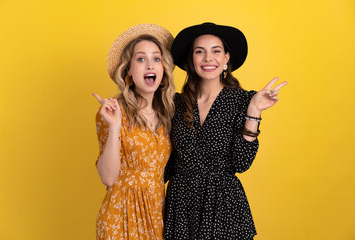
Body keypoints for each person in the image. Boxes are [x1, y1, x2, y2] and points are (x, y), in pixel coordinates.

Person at [164, 22, 288, 240]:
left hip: (223, 207)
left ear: (226, 59)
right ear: (191, 60)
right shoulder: (175, 103)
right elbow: (166, 160)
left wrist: (254, 110)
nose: (208, 58)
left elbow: (241, 163)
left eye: (216, 51)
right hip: (182, 207)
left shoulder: (243, 100)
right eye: (199, 52)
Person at [92, 23, 175, 240]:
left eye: (156, 58)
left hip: (158, 213)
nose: (150, 65)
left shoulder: (168, 112)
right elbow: (108, 178)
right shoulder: (113, 111)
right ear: (128, 70)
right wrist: (115, 126)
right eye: (141, 59)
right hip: (121, 216)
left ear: (163, 68)